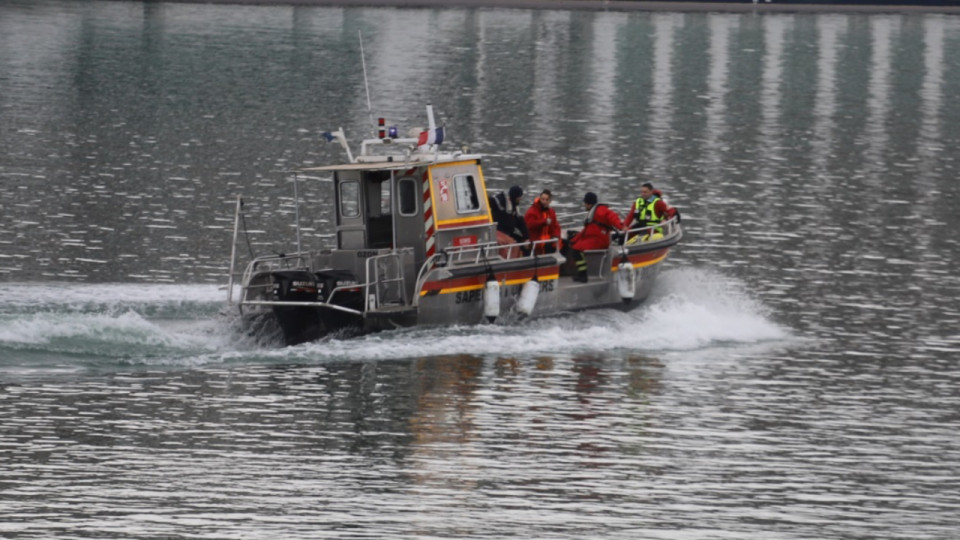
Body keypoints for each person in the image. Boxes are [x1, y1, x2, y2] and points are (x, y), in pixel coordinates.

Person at [567, 192, 624, 282]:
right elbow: (585, 231)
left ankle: (583, 275)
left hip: (599, 240)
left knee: (576, 250)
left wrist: (621, 227)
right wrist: (574, 240)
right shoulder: (593, 212)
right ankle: (581, 273)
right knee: (574, 246)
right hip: (592, 238)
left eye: (585, 203)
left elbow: (613, 217)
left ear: (589, 203)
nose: (584, 205)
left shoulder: (601, 211)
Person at [524, 189, 561, 254]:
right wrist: (543, 222)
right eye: (543, 199)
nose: (544, 201)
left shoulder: (551, 212)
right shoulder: (532, 211)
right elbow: (529, 225)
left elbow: (556, 226)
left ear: (550, 201)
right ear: (540, 199)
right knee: (548, 247)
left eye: (546, 200)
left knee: (565, 244)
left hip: (549, 239)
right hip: (536, 239)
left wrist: (556, 236)